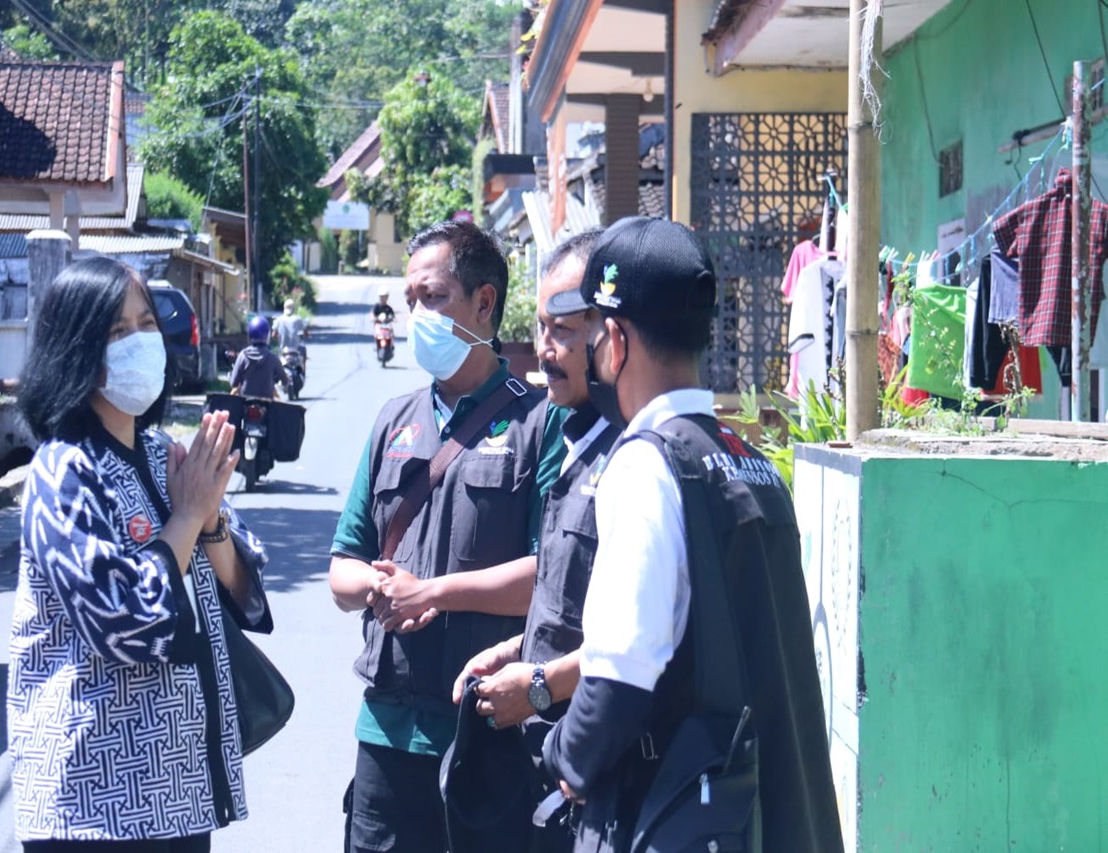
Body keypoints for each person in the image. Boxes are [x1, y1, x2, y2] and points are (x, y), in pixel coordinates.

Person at [542, 218, 843, 852]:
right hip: (762, 815)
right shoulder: (748, 459)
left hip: (674, 811)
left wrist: (564, 761)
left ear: (616, 341)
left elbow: (622, 668)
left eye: (593, 333)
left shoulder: (648, 463)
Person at [8, 257, 274, 851]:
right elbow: (124, 623)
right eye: (117, 331)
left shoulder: (163, 455)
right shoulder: (63, 471)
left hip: (178, 790)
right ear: (77, 350)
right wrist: (184, 518)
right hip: (90, 803)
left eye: (147, 323)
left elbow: (244, 592)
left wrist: (208, 522)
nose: (141, 342)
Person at [328, 220, 566, 853]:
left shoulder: (540, 424)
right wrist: (378, 587)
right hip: (386, 730)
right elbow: (342, 565)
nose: (416, 315)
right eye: (411, 301)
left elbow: (550, 579)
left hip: (488, 729)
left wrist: (433, 591)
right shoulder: (393, 421)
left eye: (432, 297)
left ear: (483, 303)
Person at [450, 229, 615, 851]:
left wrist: (541, 683)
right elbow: (573, 598)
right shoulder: (575, 443)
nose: (544, 351)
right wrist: (520, 648)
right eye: (540, 329)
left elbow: (645, 640)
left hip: (601, 777)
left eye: (563, 332)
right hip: (548, 771)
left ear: (611, 330)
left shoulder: (640, 459)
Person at [230, 315, 288, 399]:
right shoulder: (272, 357)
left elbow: (233, 383)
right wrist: (284, 383)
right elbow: (284, 380)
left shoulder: (243, 355)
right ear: (267, 335)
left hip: (245, 402)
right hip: (267, 403)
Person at [273, 297, 308, 375]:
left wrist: (277, 338)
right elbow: (305, 331)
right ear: (293, 308)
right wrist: (305, 334)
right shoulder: (297, 319)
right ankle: (303, 371)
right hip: (295, 350)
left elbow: (273, 335)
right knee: (303, 349)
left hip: (282, 350)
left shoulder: (278, 320)